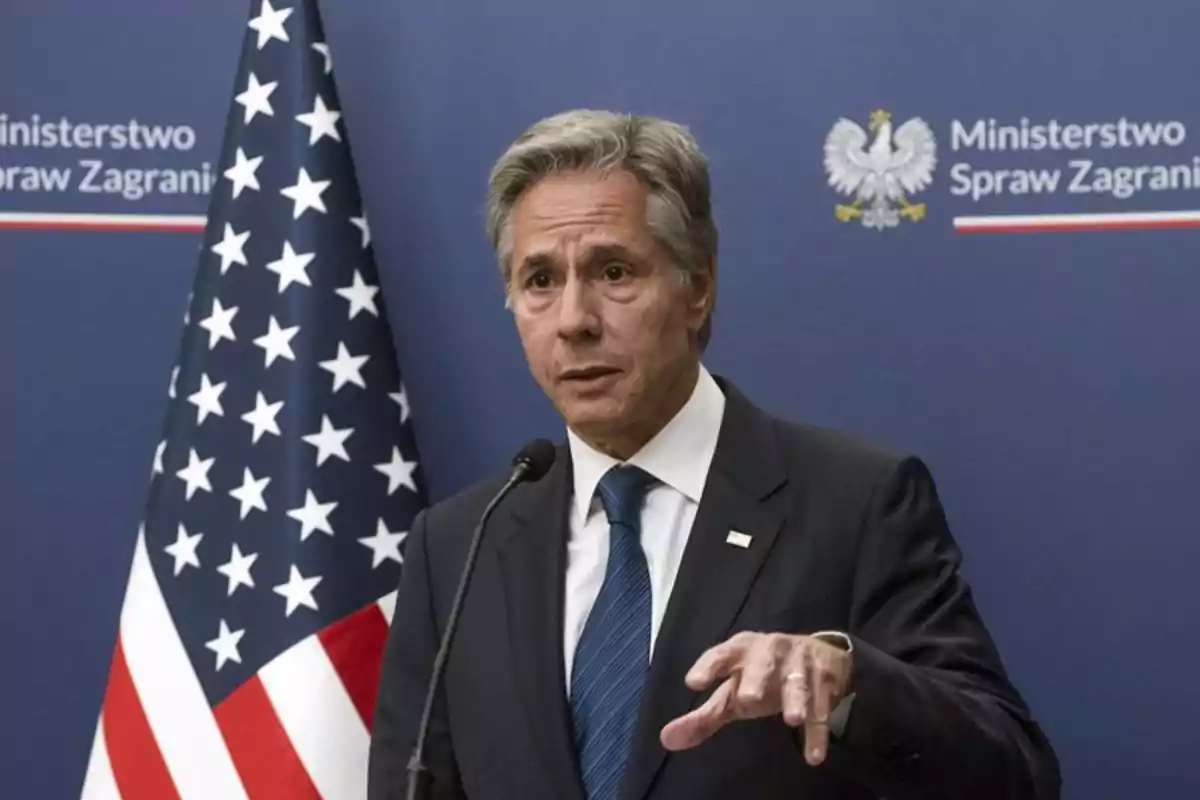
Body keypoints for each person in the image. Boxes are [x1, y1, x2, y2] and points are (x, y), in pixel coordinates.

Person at [368, 109, 1061, 800]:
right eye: (540, 281)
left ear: (697, 286)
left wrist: (852, 687)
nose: (574, 321)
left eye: (613, 271)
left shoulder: (856, 504)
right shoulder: (459, 547)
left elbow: (1015, 776)